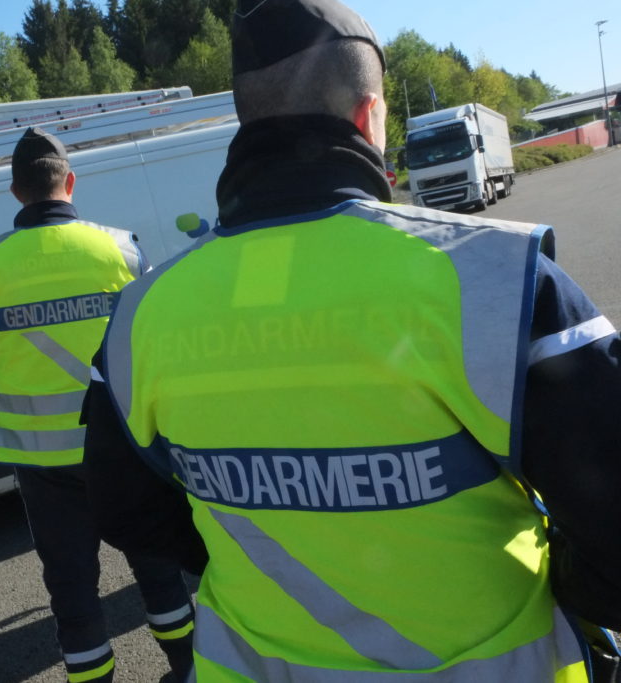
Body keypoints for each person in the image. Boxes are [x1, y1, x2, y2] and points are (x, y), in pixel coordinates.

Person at [83, 0, 621, 680]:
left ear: (246, 120)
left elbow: (124, 507)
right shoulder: (494, 279)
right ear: (370, 117)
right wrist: (567, 589)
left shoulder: (140, 314)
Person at [0, 127, 195, 683]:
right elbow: (146, 346)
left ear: (15, 191)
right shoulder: (123, 248)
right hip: (124, 448)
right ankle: (187, 671)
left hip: (43, 464)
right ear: (70, 181)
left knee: (73, 588)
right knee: (156, 568)